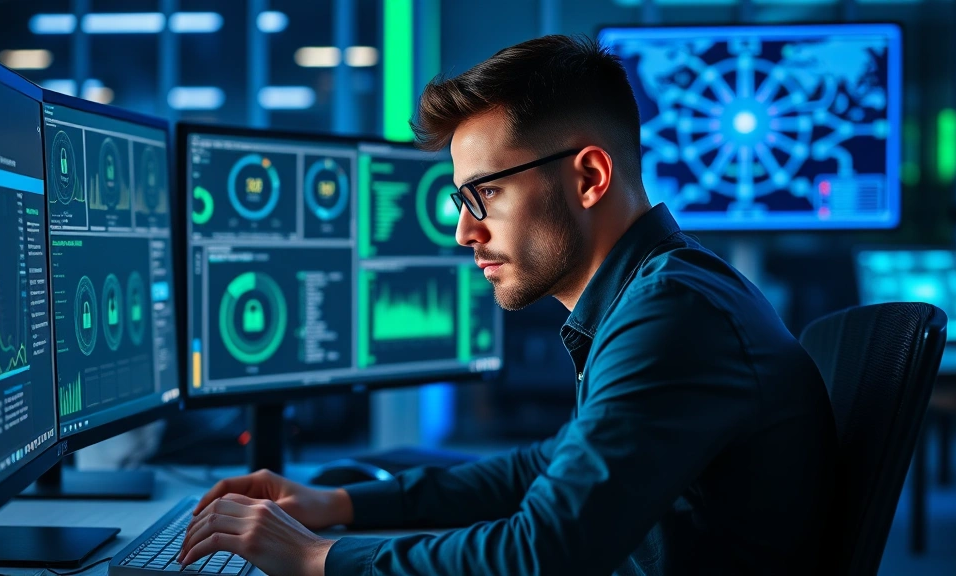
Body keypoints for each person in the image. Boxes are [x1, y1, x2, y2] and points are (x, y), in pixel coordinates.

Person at [178, 34, 838, 576]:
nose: (465, 231)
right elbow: (546, 466)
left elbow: (543, 552)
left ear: (588, 178)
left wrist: (317, 558)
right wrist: (339, 502)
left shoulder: (672, 314)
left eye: (483, 195)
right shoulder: (659, 295)